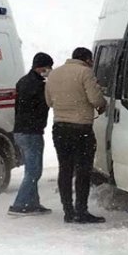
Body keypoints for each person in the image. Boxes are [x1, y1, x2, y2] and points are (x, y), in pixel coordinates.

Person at [44, 47, 108, 224]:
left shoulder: (54, 74)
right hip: (81, 129)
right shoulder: (85, 73)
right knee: (83, 170)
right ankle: (81, 210)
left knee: (65, 169)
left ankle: (68, 211)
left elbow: (49, 101)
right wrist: (102, 105)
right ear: (87, 59)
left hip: (60, 128)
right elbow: (95, 99)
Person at [8, 52, 55, 216]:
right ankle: (19, 204)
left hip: (21, 131)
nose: (50, 71)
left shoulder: (22, 82)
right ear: (41, 68)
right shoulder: (39, 86)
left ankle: (32, 203)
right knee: (34, 171)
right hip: (31, 132)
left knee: (31, 169)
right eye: (49, 68)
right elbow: (45, 104)